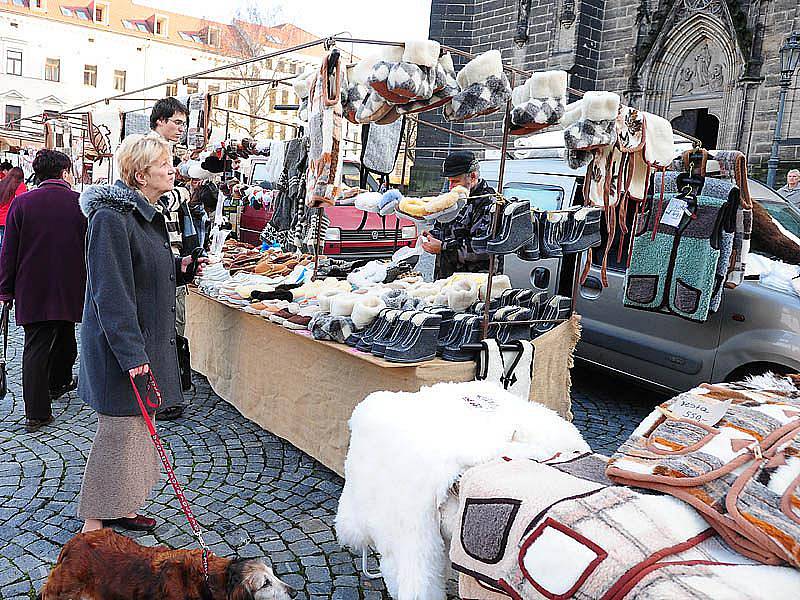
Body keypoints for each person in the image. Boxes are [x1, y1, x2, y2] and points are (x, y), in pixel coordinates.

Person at [77, 133, 207, 533]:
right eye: (164, 163)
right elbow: (111, 294)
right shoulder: (111, 218)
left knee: (135, 433)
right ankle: (93, 526)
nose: (173, 168)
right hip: (123, 350)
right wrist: (134, 359)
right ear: (139, 173)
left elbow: (144, 274)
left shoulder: (143, 214)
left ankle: (124, 504)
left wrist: (180, 271)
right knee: (117, 432)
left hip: (145, 342)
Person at [0, 151, 86, 432]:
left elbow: (8, 251)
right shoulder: (79, 203)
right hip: (70, 284)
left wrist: (5, 291)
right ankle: (56, 384)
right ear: (64, 172)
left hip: (32, 286)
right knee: (64, 332)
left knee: (36, 345)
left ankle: (38, 409)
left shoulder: (22, 203)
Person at [150, 97, 198, 418]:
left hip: (171, 251)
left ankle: (168, 392)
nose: (182, 128)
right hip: (161, 253)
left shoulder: (168, 153)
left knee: (170, 326)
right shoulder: (151, 151)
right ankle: (164, 396)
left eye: (184, 123)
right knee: (165, 327)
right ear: (159, 122)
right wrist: (185, 192)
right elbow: (160, 201)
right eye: (177, 122)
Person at [421, 150, 497, 278]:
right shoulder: (453, 197)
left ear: (472, 177)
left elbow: (482, 248)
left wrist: (442, 247)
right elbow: (444, 228)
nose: (451, 187)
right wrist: (432, 235)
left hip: (473, 281)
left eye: (455, 181)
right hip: (446, 278)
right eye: (449, 181)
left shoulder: (488, 201)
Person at [0, 167, 27, 248]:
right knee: (6, 246)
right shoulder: (20, 186)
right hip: (9, 219)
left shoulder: (2, 184)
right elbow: (23, 202)